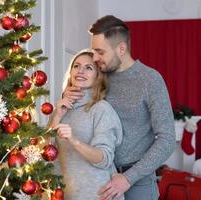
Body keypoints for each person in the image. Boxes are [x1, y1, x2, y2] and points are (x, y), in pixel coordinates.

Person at [64, 15, 176, 200]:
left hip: (136, 181)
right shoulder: (100, 75)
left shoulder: (149, 80)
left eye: (100, 52)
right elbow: (82, 110)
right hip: (100, 177)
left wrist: (128, 178)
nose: (95, 58)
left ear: (121, 49)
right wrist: (68, 96)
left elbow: (167, 140)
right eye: (94, 51)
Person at [50, 49, 124, 200]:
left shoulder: (101, 109)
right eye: (76, 66)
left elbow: (104, 159)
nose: (81, 71)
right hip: (64, 194)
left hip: (96, 195)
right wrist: (56, 117)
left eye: (89, 68)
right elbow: (43, 152)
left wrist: (74, 140)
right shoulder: (61, 108)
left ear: (98, 76)